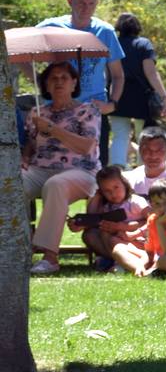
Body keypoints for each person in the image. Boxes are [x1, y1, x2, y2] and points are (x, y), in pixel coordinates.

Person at [23, 62, 102, 274]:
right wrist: (24, 157)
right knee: (12, 183)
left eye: (64, 78)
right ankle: (15, 248)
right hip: (40, 169)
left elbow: (86, 146)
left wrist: (51, 128)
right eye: (53, 79)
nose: (59, 82)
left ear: (74, 82)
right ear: (46, 85)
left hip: (81, 172)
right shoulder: (38, 112)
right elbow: (31, 144)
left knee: (56, 184)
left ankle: (50, 258)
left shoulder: (87, 111)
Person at [38, 0, 125, 165]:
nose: (86, 8)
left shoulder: (105, 32)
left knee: (95, 169)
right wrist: (39, 80)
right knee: (52, 165)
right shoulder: (51, 28)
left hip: (92, 110)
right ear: (70, 1)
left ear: (97, 3)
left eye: (91, 3)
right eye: (81, 3)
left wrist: (112, 104)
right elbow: (21, 51)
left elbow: (118, 75)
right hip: (56, 109)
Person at [113, 179, 166, 277]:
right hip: (159, 258)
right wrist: (141, 264)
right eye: (157, 204)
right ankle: (140, 271)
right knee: (118, 248)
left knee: (165, 260)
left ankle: (149, 272)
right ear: (151, 204)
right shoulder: (152, 219)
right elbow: (149, 252)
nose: (162, 208)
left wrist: (159, 226)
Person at [70, 164, 148, 271]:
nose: (113, 193)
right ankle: (115, 260)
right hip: (117, 242)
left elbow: (153, 219)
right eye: (107, 191)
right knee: (91, 235)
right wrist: (97, 197)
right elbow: (93, 217)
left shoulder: (134, 201)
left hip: (137, 239)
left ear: (124, 184)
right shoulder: (107, 206)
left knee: (109, 236)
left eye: (116, 187)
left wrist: (123, 227)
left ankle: (119, 262)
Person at [113, 13, 166, 144]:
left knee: (119, 136)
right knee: (144, 136)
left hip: (117, 94)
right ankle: (144, 164)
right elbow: (151, 73)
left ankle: (117, 164)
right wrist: (164, 97)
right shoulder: (143, 44)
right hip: (141, 97)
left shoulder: (113, 44)